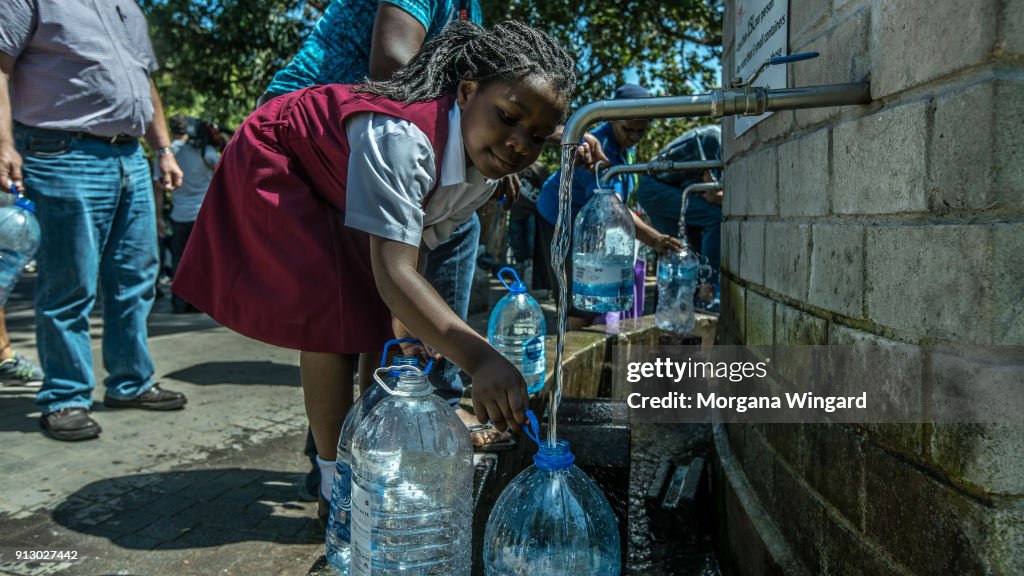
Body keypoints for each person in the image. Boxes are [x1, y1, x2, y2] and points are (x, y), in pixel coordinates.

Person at [173, 20, 578, 515]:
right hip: (282, 157)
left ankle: (371, 457)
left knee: (380, 324)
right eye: (509, 117)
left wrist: (405, 320)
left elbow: (414, 253)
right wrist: (479, 359)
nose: (519, 144)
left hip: (339, 176)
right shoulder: (402, 140)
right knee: (334, 322)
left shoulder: (484, 177)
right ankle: (335, 482)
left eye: (537, 136)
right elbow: (394, 274)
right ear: (468, 91)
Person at [0, 0, 188, 442]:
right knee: (70, 283)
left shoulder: (126, 5)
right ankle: (66, 396)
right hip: (61, 152)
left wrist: (162, 149)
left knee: (136, 278)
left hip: (131, 158)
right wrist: (3, 143)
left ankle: (131, 381)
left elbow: (145, 81)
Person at [535, 83, 681, 329]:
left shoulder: (626, 151)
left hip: (590, 225)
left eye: (640, 132)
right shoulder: (598, 147)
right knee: (579, 298)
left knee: (599, 291)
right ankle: (571, 344)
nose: (633, 137)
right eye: (629, 129)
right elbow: (613, 210)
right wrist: (656, 239)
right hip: (560, 217)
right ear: (614, 118)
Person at [636, 124, 722, 309]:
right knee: (714, 217)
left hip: (665, 189)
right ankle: (707, 290)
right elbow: (713, 195)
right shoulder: (715, 138)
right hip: (654, 188)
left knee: (675, 252)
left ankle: (666, 314)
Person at [153, 114, 223, 314]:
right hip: (204, 214)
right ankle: (200, 301)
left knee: (179, 259)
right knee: (203, 258)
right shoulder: (205, 151)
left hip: (179, 215)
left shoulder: (165, 155)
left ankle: (180, 301)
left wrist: (158, 217)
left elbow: (158, 190)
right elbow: (224, 174)